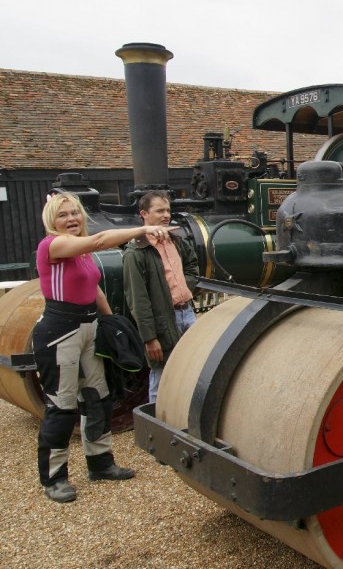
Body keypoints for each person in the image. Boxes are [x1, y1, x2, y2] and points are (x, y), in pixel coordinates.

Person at [35, 192, 172, 503]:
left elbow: (93, 286)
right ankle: (54, 478)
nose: (71, 219)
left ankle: (100, 463)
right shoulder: (53, 245)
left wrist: (111, 323)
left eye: (75, 213)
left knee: (98, 397)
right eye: (63, 215)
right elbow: (99, 242)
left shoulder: (79, 253)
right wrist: (142, 230)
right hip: (59, 332)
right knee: (61, 404)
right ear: (51, 221)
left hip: (89, 327)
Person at [122, 190, 199, 404]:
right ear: (144, 214)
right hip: (163, 320)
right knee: (161, 373)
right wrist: (149, 337)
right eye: (159, 211)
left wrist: (185, 287)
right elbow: (138, 300)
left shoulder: (176, 241)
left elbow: (193, 266)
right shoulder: (135, 252)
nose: (166, 215)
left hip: (187, 312)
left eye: (168, 210)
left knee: (192, 366)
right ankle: (157, 422)